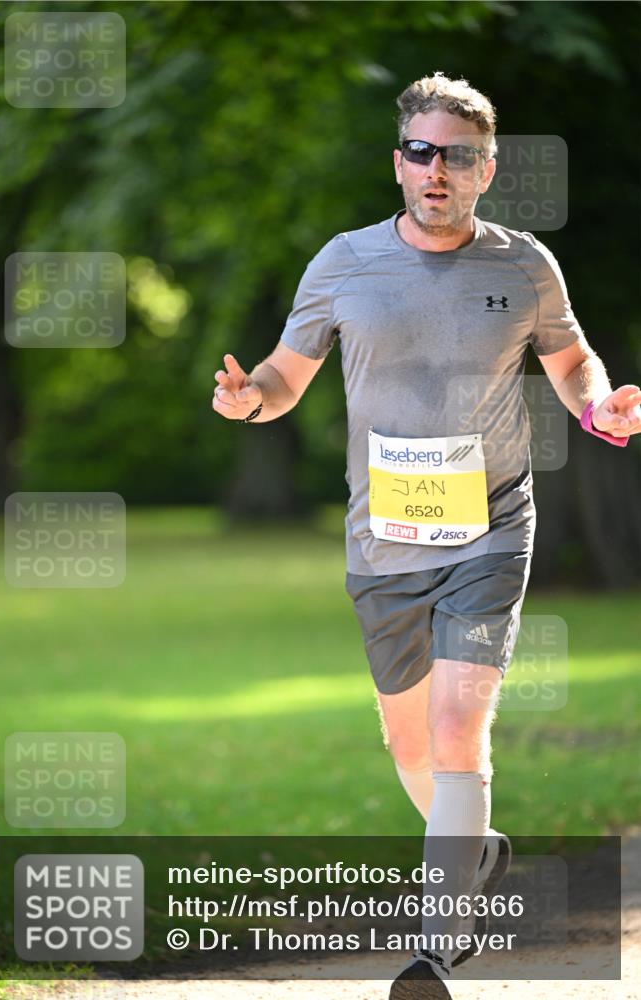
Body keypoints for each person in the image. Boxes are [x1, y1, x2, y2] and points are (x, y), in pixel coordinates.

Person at [212, 71, 641, 999]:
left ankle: (438, 941)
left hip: (490, 526)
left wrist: (599, 404)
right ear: (397, 162)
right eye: (420, 152)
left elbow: (569, 360)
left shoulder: (522, 264)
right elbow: (288, 375)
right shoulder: (342, 263)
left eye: (456, 155)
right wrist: (251, 403)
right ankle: (474, 847)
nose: (435, 169)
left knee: (457, 728)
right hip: (383, 540)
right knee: (411, 748)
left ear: (485, 170)